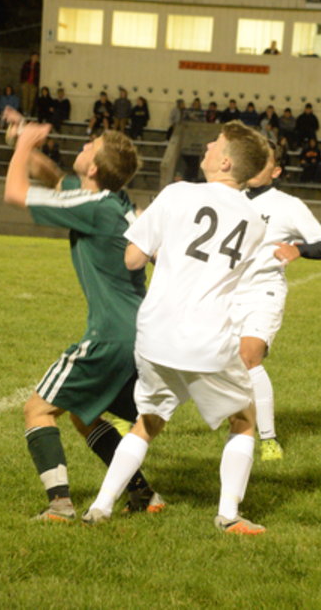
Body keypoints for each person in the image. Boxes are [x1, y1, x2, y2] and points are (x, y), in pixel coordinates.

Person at [82, 121, 271, 535]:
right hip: (207, 339)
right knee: (244, 419)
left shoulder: (176, 193)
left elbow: (133, 259)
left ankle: (100, 506)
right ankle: (228, 514)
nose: (208, 145)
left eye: (216, 143)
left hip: (155, 333)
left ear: (226, 162)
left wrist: (160, 245)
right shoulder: (256, 222)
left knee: (147, 420)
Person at [3, 109, 162, 522]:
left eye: (91, 146)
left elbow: (16, 193)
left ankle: (59, 506)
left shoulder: (94, 207)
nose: (85, 144)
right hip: (138, 333)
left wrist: (22, 147)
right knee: (83, 412)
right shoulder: (110, 199)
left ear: (93, 169)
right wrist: (24, 140)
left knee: (38, 410)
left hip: (111, 334)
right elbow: (55, 178)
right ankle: (142, 492)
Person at [231, 143, 321, 461]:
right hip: (227, 292)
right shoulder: (229, 198)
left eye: (262, 162)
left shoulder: (288, 205)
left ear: (276, 171)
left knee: (249, 357)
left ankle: (268, 439)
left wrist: (299, 249)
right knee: (217, 364)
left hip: (264, 291)